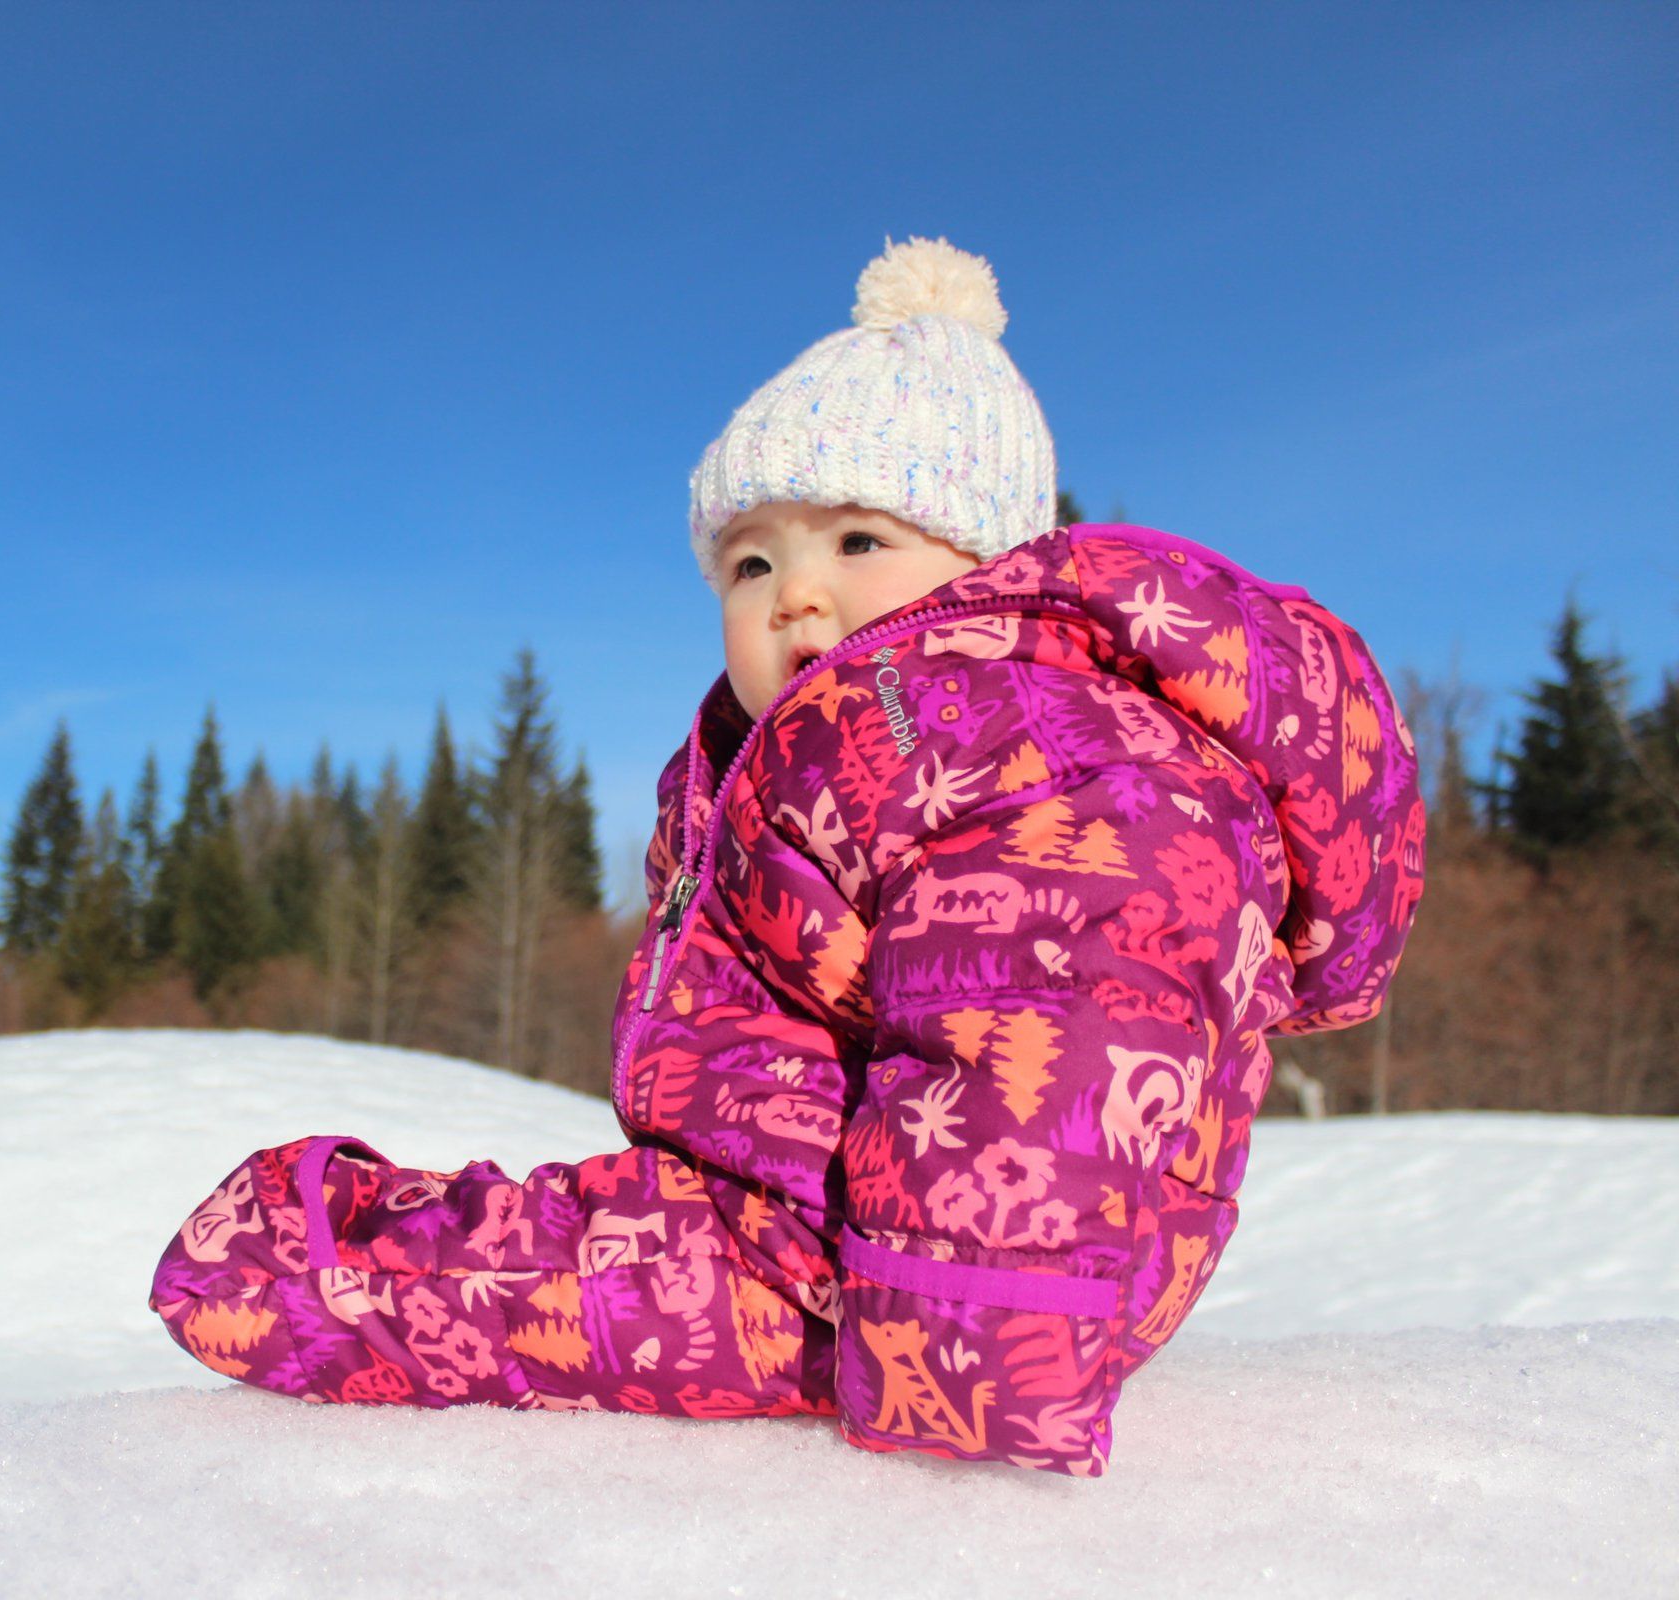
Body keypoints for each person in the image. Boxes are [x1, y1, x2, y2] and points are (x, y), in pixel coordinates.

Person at [146, 237, 1426, 1476]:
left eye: (858, 542)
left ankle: (309, 1263)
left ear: (991, 564)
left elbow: (1064, 1015)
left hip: (953, 1281)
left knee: (491, 1295)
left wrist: (966, 1335)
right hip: (828, 1221)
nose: (793, 595)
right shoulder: (823, 747)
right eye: (751, 561)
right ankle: (321, 1243)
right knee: (549, 1250)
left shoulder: (1030, 737)